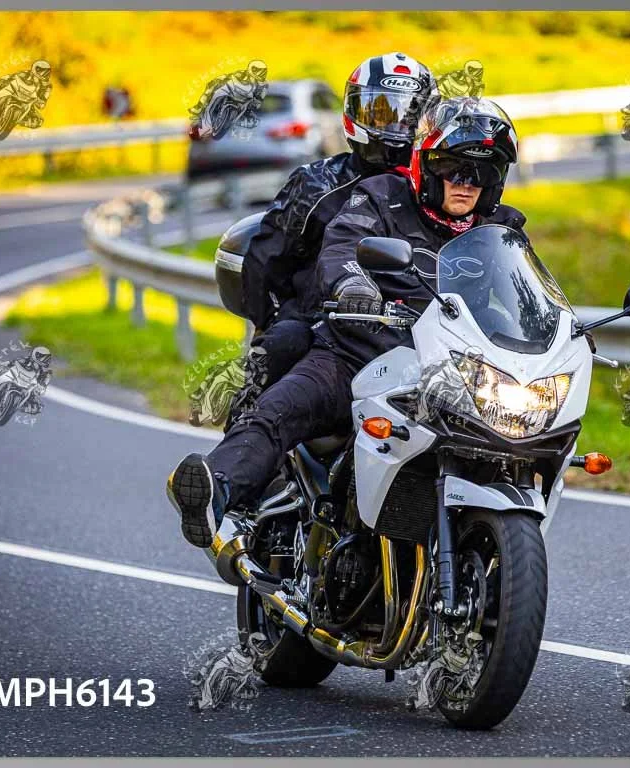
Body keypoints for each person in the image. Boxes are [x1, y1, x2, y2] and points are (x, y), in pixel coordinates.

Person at [166, 96, 525, 558]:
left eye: (481, 172)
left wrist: (562, 331)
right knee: (283, 406)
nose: (465, 182)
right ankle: (216, 488)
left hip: (455, 375)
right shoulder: (380, 196)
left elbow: (525, 291)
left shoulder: (502, 227)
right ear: (427, 163)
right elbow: (341, 246)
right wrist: (352, 283)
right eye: (452, 166)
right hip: (359, 355)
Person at [224, 52, 437, 429]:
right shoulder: (316, 183)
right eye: (379, 113)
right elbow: (266, 262)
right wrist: (274, 321)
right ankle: (240, 442)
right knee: (284, 342)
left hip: (421, 332)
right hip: (322, 322)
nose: (392, 127)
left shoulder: (439, 190)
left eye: (406, 116)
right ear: (353, 113)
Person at [0, 60, 52, 140]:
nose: (43, 74)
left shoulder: (47, 86)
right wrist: (3, 80)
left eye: (46, 72)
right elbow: (10, 77)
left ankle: (15, 121)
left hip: (27, 102)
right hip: (13, 93)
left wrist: (40, 101)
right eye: (41, 70)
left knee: (38, 121)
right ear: (35, 68)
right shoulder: (24, 74)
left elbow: (42, 103)